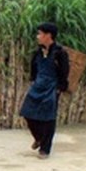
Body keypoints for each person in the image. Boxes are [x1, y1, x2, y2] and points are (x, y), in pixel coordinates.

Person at [19, 22, 70, 159]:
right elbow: (33, 68)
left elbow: (64, 72)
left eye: (40, 34)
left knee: (49, 118)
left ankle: (45, 149)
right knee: (27, 112)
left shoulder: (60, 53)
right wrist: (34, 81)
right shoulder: (38, 52)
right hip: (38, 85)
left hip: (52, 87)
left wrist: (60, 88)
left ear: (48, 35)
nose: (38, 36)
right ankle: (39, 138)